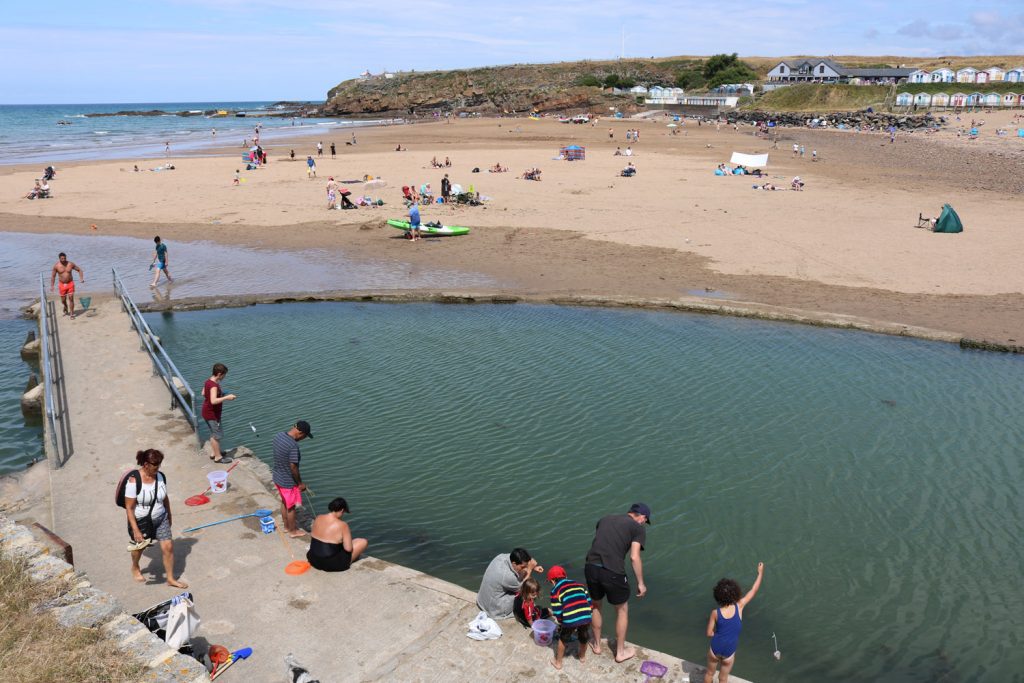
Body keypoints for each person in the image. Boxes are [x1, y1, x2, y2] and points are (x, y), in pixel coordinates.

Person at [584, 502, 650, 663]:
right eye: (645, 520)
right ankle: (620, 652)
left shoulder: (605, 519)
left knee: (596, 605)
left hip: (590, 566)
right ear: (642, 517)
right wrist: (641, 583)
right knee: (621, 610)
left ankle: (597, 645)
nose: (643, 523)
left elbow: (603, 540)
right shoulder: (638, 528)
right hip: (612, 572)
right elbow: (634, 557)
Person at [125, 449, 188, 588]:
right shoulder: (134, 481)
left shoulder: (160, 477)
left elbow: (165, 497)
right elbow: (129, 508)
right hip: (142, 521)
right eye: (155, 466)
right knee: (139, 549)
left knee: (168, 547)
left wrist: (169, 515)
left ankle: (170, 579)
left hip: (161, 518)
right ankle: (135, 567)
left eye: (159, 465)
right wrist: (136, 530)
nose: (158, 469)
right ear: (146, 464)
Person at [703, 563, 765, 683]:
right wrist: (760, 573)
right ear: (736, 593)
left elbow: (709, 633)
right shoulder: (740, 606)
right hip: (729, 651)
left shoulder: (715, 613)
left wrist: (718, 634)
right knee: (723, 678)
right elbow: (754, 590)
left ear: (718, 596)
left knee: (709, 673)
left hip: (715, 648)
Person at [272, 421, 313, 537]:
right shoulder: (293, 446)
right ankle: (292, 531)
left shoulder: (279, 435)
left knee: (284, 502)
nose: (303, 439)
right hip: (287, 482)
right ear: (300, 432)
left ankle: (286, 527)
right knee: (291, 507)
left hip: (277, 476)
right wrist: (300, 483)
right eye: (305, 436)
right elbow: (293, 466)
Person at [548, 566, 593, 671]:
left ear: (552, 581)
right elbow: (589, 603)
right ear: (565, 576)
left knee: (563, 639)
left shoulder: (555, 591)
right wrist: (586, 614)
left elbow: (558, 611)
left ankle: (558, 662)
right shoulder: (580, 585)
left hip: (570, 618)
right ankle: (582, 657)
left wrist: (561, 623)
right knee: (584, 636)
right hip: (586, 615)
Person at [476, 548, 542, 619]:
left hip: (482, 600)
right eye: (523, 567)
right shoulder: (506, 576)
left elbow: (521, 564)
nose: (524, 568)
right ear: (514, 563)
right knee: (526, 594)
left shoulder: (501, 557)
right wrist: (529, 569)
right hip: (493, 609)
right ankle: (530, 613)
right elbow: (523, 588)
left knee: (521, 575)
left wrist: (533, 567)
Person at [306, 497, 368, 572]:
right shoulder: (343, 525)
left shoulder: (318, 517)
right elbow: (348, 549)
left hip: (313, 559)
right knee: (363, 542)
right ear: (342, 510)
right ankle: (350, 560)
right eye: (344, 512)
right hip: (330, 564)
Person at [201, 363, 236, 464]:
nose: (225, 377)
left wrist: (221, 393)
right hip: (212, 414)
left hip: (206, 412)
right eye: (224, 375)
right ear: (219, 374)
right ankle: (218, 457)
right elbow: (213, 401)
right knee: (217, 435)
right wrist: (226, 398)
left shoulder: (208, 381)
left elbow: (203, 393)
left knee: (213, 433)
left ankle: (214, 453)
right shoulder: (214, 385)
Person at [50, 252, 84, 318]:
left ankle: (71, 314)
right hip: (62, 284)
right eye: (62, 258)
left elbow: (79, 270)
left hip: (70, 283)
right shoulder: (56, 266)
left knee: (71, 298)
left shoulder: (70, 264)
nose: (63, 259)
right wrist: (52, 286)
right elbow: (53, 276)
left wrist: (81, 278)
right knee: (63, 300)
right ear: (59, 258)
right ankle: (65, 306)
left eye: (64, 258)